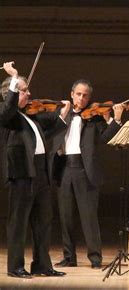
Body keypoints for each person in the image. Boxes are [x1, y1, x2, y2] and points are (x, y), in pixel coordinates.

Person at [0, 62, 69, 278]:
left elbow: (44, 136)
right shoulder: (8, 117)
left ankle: (41, 265)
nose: (29, 94)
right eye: (24, 90)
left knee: (43, 222)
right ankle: (15, 267)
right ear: (10, 93)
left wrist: (64, 114)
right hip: (22, 174)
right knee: (18, 223)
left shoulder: (30, 117)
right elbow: (7, 109)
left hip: (40, 173)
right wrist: (13, 77)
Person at [49, 79, 126, 269]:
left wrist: (115, 119)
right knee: (66, 216)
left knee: (88, 216)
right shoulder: (62, 115)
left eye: (85, 95)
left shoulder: (94, 118)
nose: (82, 98)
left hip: (85, 169)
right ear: (72, 94)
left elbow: (108, 137)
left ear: (89, 98)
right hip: (64, 168)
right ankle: (69, 257)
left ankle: (95, 258)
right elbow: (50, 134)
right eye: (78, 94)